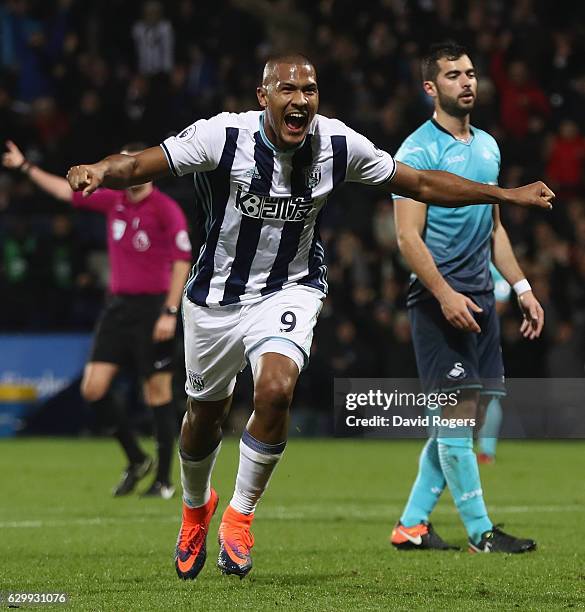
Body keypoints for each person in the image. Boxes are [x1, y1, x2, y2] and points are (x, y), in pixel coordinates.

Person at [64, 53, 553, 580]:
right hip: (214, 298)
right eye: (287, 90)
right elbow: (138, 165)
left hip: (290, 290)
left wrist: (504, 195)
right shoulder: (220, 136)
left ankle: (240, 517)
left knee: (276, 389)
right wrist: (98, 170)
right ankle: (195, 508)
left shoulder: (339, 144)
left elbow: (422, 185)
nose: (300, 100)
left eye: (311, 90)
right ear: (264, 96)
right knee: (202, 417)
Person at [390, 42, 544, 554]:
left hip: (480, 294)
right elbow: (408, 237)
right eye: (454, 75)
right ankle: (481, 532)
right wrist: (444, 294)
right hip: (439, 300)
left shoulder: (488, 147)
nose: (467, 82)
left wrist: (521, 287)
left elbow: (494, 227)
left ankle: (411, 524)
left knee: (466, 417)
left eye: (471, 73)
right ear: (431, 88)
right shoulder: (415, 152)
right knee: (457, 415)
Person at [2, 140, 192, 499]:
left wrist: (170, 311)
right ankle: (137, 458)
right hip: (117, 308)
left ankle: (165, 481)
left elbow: (183, 259)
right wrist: (26, 166)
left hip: (154, 309)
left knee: (157, 392)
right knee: (93, 388)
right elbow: (64, 191)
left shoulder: (165, 209)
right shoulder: (114, 200)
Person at [477, 263, 511, 464]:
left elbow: (504, 286)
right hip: (450, 332)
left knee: (489, 393)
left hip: (483, 335)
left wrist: (489, 313)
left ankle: (486, 451)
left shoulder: (484, 260)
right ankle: (438, 445)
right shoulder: (443, 254)